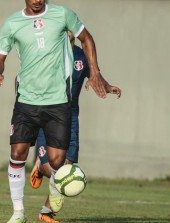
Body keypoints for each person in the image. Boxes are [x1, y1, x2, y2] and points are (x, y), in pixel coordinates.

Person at [0, 0, 112, 222]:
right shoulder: (12, 23)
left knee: (57, 162)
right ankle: (18, 213)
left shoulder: (63, 14)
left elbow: (87, 39)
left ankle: (53, 196)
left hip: (58, 103)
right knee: (17, 153)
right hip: (26, 101)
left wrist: (95, 72)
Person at [29, 32, 121, 222]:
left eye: (71, 33)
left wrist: (108, 86)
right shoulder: (47, 53)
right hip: (47, 116)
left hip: (71, 118)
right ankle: (40, 165)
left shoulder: (82, 56)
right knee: (52, 170)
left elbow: (96, 76)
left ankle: (46, 212)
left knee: (66, 169)